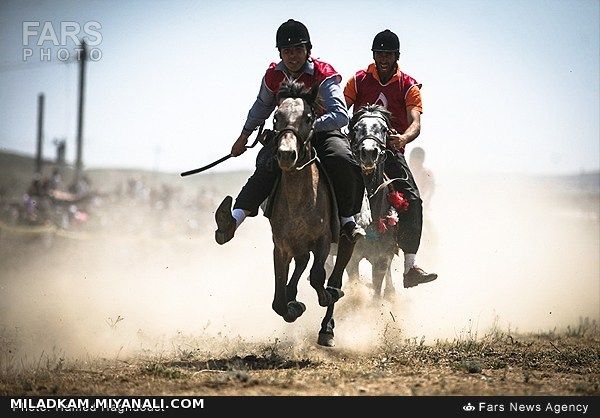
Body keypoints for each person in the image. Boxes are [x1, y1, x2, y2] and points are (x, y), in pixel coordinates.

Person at [214, 19, 365, 245]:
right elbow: (262, 107)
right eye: (287, 51)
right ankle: (233, 221)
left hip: (322, 132)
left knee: (342, 159)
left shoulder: (323, 73)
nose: (292, 56)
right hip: (287, 134)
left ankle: (347, 221)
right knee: (266, 163)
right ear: (280, 53)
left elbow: (340, 115)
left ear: (308, 50)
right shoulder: (273, 76)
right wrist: (244, 136)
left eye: (297, 50)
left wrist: (310, 126)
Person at [344, 29, 437, 288]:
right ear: (373, 55)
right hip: (356, 149)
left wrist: (404, 139)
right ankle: (324, 251)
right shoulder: (358, 80)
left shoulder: (408, 85)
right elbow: (342, 109)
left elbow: (415, 122)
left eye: (388, 53)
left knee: (414, 199)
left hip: (390, 151)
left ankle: (410, 267)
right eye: (379, 53)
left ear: (396, 55)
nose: (383, 58)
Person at [409, 147, 435, 212]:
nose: (416, 160)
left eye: (419, 157)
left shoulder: (426, 173)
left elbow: (429, 192)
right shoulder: (404, 170)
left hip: (420, 205)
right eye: (414, 157)